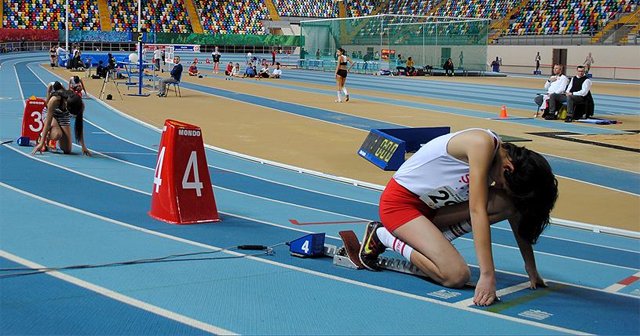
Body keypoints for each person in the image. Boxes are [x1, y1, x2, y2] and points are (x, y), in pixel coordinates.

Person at [358, 128, 558, 306]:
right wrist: (488, 276)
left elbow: (516, 215)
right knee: (456, 275)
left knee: (511, 203)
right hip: (400, 207)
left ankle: (437, 240)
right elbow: (477, 210)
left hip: (433, 210)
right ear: (508, 169)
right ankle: (384, 236)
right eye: (503, 184)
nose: (499, 188)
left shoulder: (502, 163)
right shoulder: (482, 144)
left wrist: (531, 268)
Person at [31, 90, 91, 156]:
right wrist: (41, 143)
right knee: (57, 134)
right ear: (66, 104)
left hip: (63, 116)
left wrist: (83, 146)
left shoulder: (80, 105)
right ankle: (41, 136)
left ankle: (54, 131)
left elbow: (79, 126)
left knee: (67, 150)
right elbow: (48, 123)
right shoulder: (54, 100)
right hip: (50, 115)